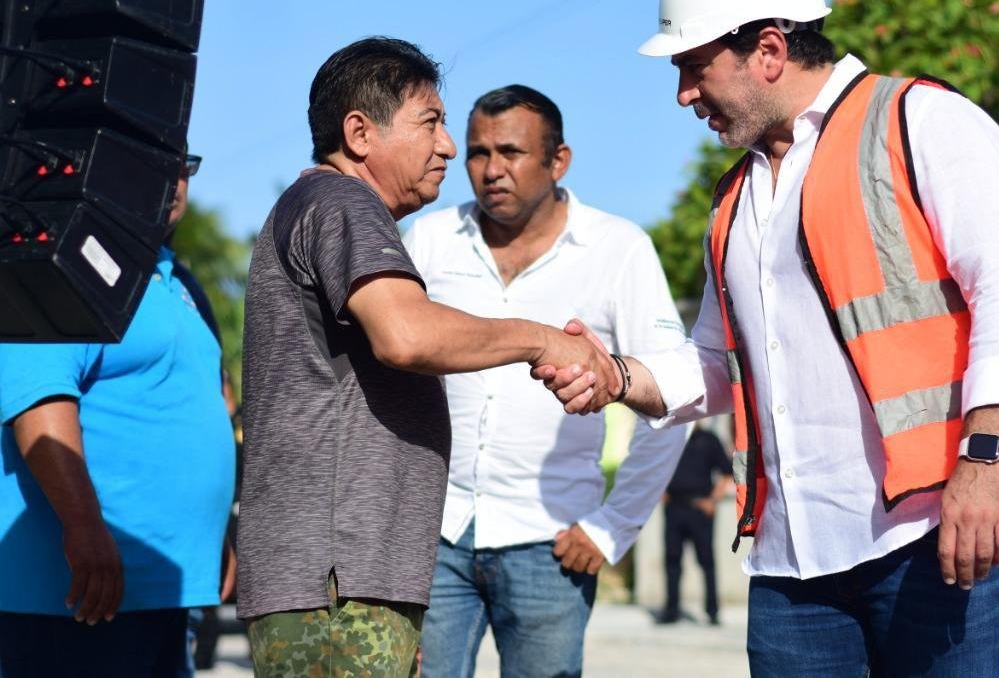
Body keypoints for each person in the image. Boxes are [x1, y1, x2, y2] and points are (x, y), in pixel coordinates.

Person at [537, 0, 999, 676]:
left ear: (770, 50)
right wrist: (616, 376)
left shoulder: (920, 122)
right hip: (792, 569)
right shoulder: (734, 200)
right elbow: (715, 362)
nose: (684, 94)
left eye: (693, 66)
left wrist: (985, 457)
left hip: (937, 535)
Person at [235, 39, 614, 676]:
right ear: (359, 132)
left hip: (344, 578)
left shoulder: (329, 206)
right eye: (430, 122)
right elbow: (406, 334)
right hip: (336, 582)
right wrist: (543, 339)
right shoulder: (342, 202)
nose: (447, 146)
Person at [402, 84, 688, 676]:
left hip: (551, 542)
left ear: (559, 161)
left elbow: (671, 395)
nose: (490, 170)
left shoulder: (618, 249)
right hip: (435, 533)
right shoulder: (428, 242)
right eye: (478, 153)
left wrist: (612, 528)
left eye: (511, 152)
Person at [0, 151, 236, 676]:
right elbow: (40, 406)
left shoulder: (176, 282)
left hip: (161, 588)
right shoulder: (65, 265)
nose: (173, 180)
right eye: (155, 159)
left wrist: (213, 530)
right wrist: (84, 527)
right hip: (81, 593)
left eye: (184, 164)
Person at [656, 422, 733, 626]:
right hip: (674, 507)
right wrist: (661, 492)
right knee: (672, 561)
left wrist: (713, 501)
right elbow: (656, 467)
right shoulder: (670, 438)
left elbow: (727, 473)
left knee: (707, 561)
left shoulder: (709, 440)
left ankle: (712, 611)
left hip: (700, 509)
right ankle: (671, 610)